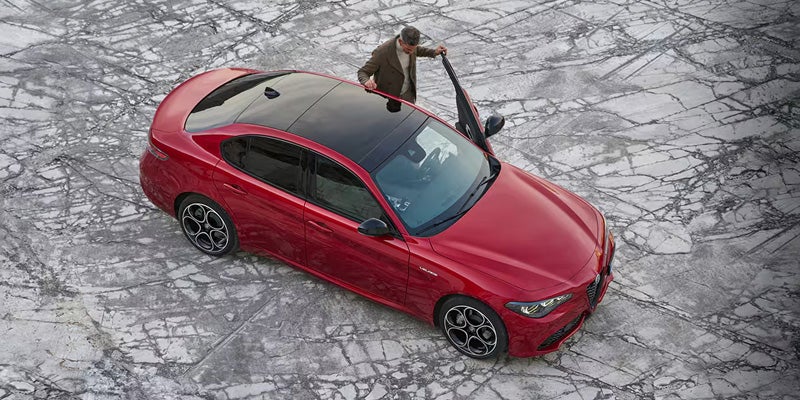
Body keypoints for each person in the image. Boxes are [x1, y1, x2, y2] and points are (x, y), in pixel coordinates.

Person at [357, 26, 447, 104]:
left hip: (407, 94)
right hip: (388, 98)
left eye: (413, 49)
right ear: (400, 42)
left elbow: (418, 50)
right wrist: (366, 81)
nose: (411, 52)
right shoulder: (383, 52)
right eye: (408, 49)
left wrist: (434, 52)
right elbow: (363, 72)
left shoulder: (411, 47)